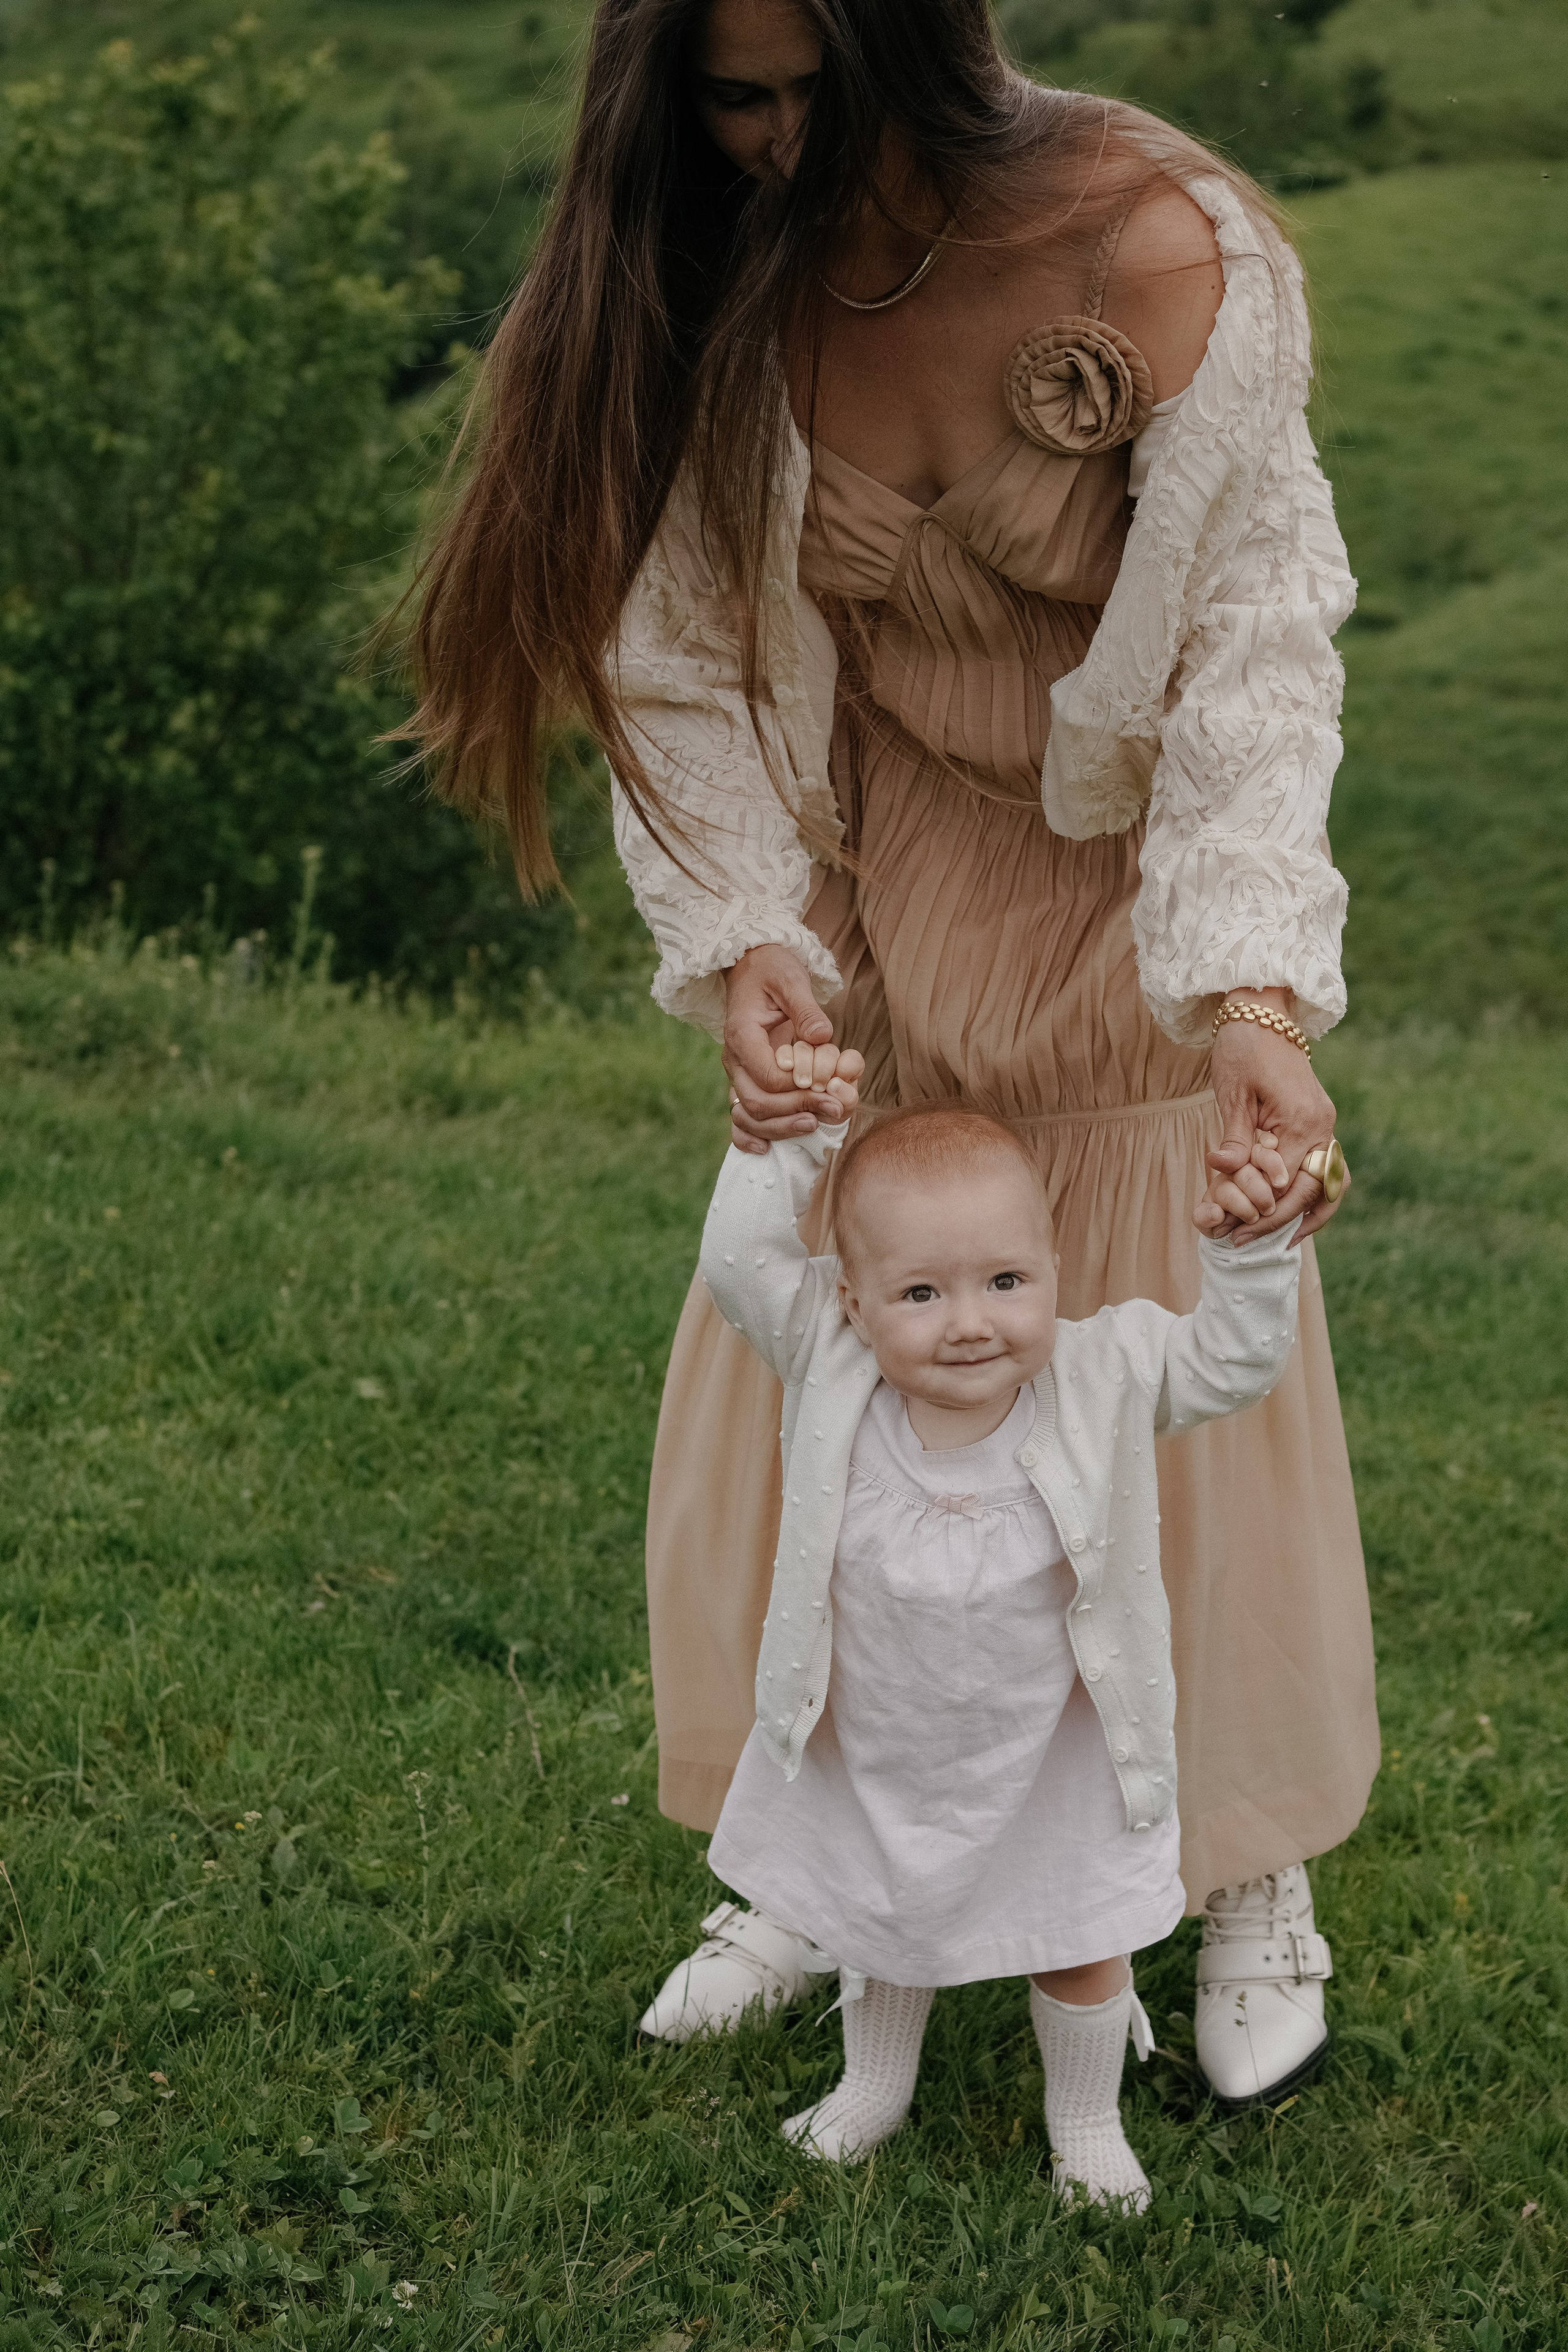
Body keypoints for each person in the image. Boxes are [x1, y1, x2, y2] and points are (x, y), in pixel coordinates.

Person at [402, 0, 1377, 2104]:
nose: (770, 143)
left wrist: (1247, 1001)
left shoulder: (1160, 243)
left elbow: (1254, 649)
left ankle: (1236, 1863)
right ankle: (828, 1855)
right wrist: (752, 936)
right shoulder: (727, 277)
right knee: (847, 1361)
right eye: (728, 101)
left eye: (806, 92)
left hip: (1125, 904)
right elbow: (673, 645)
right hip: (877, 879)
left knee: (1147, 1380)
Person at [699, 1079, 1308, 2200]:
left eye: (1006, 1281)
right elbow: (739, 1263)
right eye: (921, 1292)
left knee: (1079, 1941)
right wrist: (790, 1143)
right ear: (853, 1302)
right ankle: (873, 2087)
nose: (971, 1321)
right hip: (882, 1735)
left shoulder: (1104, 1375)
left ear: (1054, 1268)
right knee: (881, 1916)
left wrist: (1251, 1250)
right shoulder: (831, 1362)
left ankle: (1084, 2120)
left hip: (1052, 1753)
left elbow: (1236, 1361)